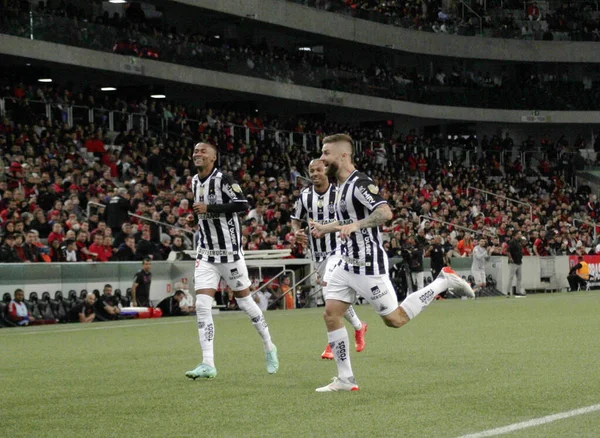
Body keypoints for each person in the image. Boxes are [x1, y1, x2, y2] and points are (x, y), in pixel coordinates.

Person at [311, 134, 473, 392]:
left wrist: (357, 225)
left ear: (343, 156)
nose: (322, 158)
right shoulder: (340, 186)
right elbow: (348, 222)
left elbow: (385, 212)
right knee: (331, 314)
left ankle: (443, 281)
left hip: (368, 266)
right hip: (345, 264)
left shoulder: (360, 182)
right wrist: (325, 228)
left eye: (326, 153)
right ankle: (345, 379)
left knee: (394, 320)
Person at [184, 142, 278, 380]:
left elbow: (242, 204)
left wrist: (209, 208)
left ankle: (269, 346)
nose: (198, 154)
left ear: (214, 158)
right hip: (206, 253)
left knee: (245, 303)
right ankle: (208, 363)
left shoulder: (224, 179)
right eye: (195, 151)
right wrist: (194, 219)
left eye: (203, 151)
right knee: (203, 306)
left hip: (230, 254)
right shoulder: (195, 181)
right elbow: (201, 210)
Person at [292, 159, 367, 359]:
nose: (315, 173)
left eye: (319, 169)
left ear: (326, 170)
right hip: (317, 255)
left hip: (339, 250)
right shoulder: (305, 196)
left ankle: (332, 344)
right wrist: (296, 232)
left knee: (330, 294)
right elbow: (295, 219)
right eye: (311, 171)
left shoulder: (339, 193)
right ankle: (359, 327)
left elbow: (350, 218)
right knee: (336, 297)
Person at [506, 232, 525, 297]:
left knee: (519, 278)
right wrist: (510, 258)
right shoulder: (512, 242)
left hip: (519, 261)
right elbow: (508, 251)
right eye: (519, 234)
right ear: (516, 235)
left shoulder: (519, 242)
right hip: (513, 262)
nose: (520, 235)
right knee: (511, 277)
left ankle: (517, 291)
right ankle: (508, 292)